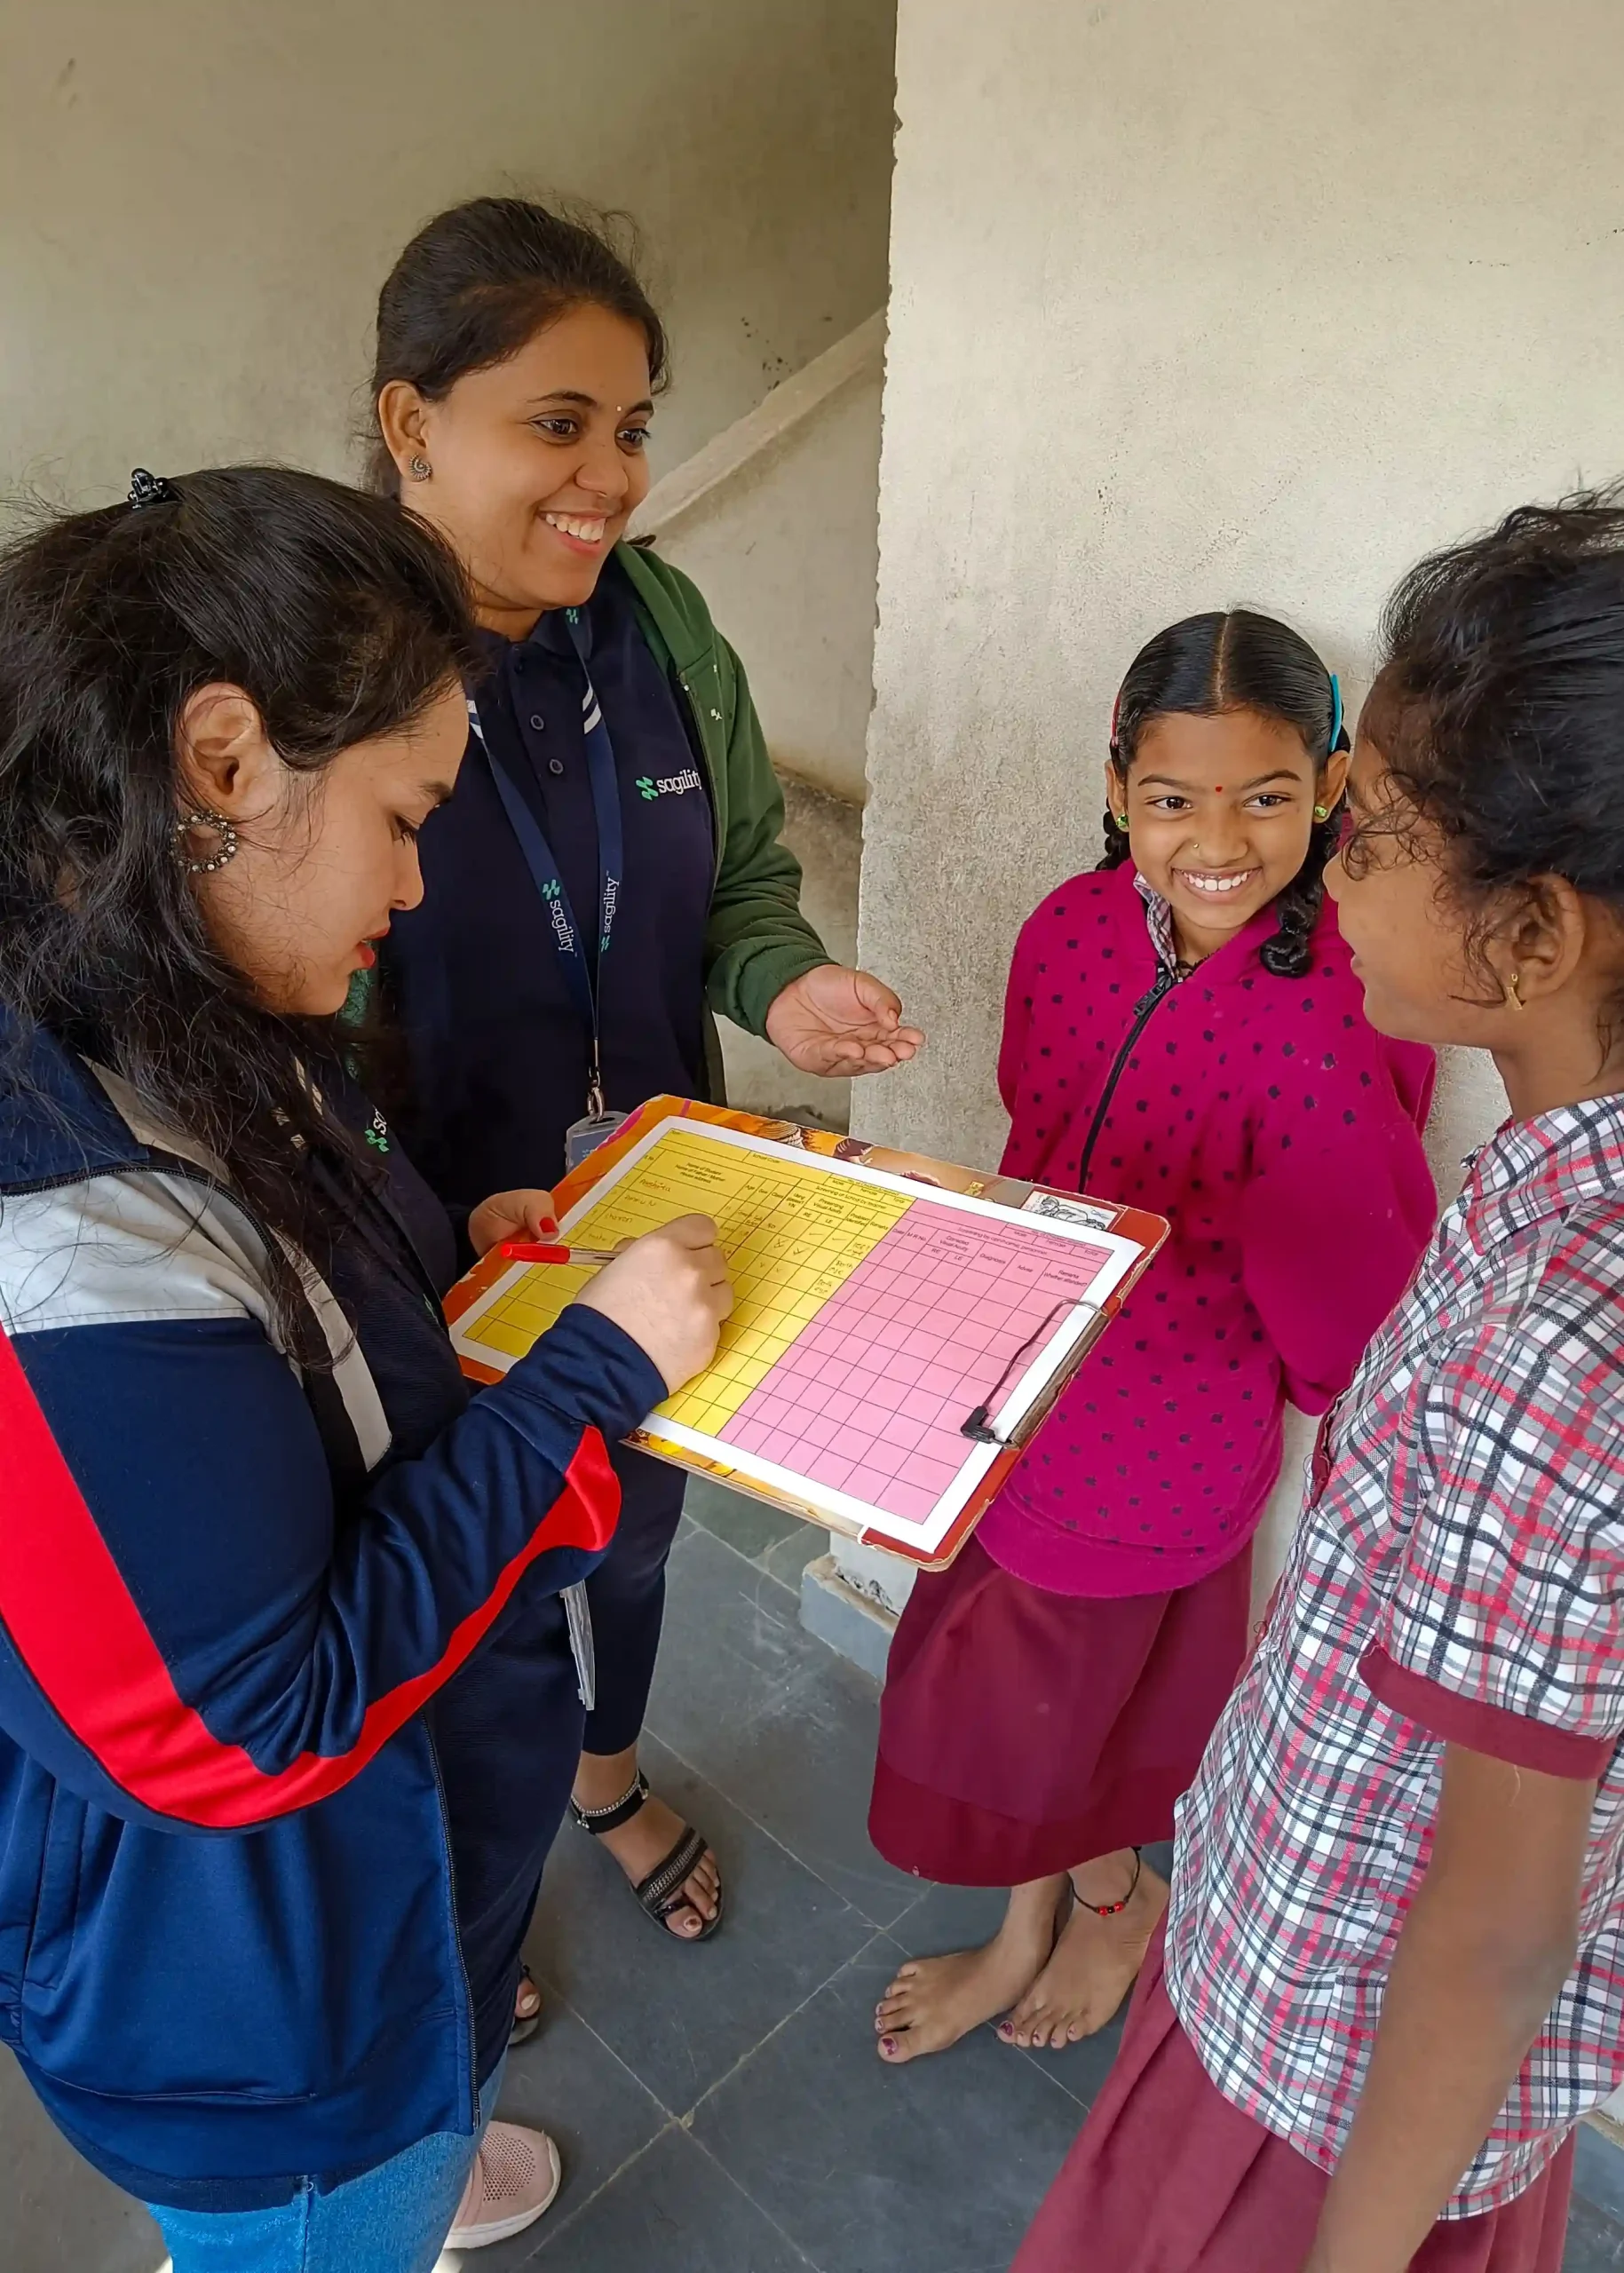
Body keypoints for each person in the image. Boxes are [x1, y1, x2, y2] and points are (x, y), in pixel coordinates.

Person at [0, 465, 731, 2272]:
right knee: (329, 2221)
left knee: (412, 2121)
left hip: (374, 1921)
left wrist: (439, 1258)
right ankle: (358, 2205)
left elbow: (274, 1305)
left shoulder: (169, 996)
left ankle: (415, 2159)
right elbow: (261, 1716)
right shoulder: (52, 1244)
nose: (412, 880)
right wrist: (587, 1377)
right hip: (268, 2016)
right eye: (403, 815)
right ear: (227, 761)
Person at [1014, 495, 1624, 2273]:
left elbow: (1497, 1923)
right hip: (1288, 1963)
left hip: (1329, 2095)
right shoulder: (1535, 1194)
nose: (1318, 872)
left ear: (1527, 938)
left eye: (1368, 833)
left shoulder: (1561, 1344)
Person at [364, 195, 921, 1967]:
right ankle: (480, 1864)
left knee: (634, 1529)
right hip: (434, 1265)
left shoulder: (659, 626)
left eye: (630, 426)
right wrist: (416, 1204)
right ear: (407, 425)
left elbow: (737, 880)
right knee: (464, 1586)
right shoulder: (330, 670)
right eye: (555, 424)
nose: (608, 477)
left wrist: (788, 980)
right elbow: (266, 1019)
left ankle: (600, 1774)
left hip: (658, 1218)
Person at [867, 611, 1438, 2062]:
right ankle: (1082, 1898)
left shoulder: (1338, 1015)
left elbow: (1346, 1314)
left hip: (1161, 1441)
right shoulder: (1069, 928)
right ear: (1117, 785)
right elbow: (1035, 1117)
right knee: (1031, 1689)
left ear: (1333, 783)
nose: (1216, 843)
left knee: (1053, 1707)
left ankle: (1078, 1909)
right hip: (1014, 1380)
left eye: (1263, 796)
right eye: (1172, 800)